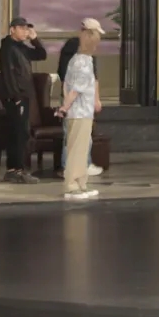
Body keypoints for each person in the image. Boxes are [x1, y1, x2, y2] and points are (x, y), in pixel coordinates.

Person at [0, 17, 48, 184]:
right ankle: (17, 170)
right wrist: (16, 97)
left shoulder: (21, 47)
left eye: (26, 28)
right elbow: (9, 74)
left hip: (23, 96)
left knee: (19, 133)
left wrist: (35, 39)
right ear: (12, 29)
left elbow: (41, 55)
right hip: (16, 97)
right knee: (19, 134)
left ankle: (14, 170)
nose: (25, 31)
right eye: (21, 28)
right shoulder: (8, 47)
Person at [55, 26, 103, 200]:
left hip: (83, 111)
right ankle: (72, 186)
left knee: (81, 150)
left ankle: (81, 184)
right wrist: (64, 107)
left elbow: (69, 85)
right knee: (76, 150)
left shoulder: (80, 60)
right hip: (79, 112)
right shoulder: (82, 62)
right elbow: (75, 90)